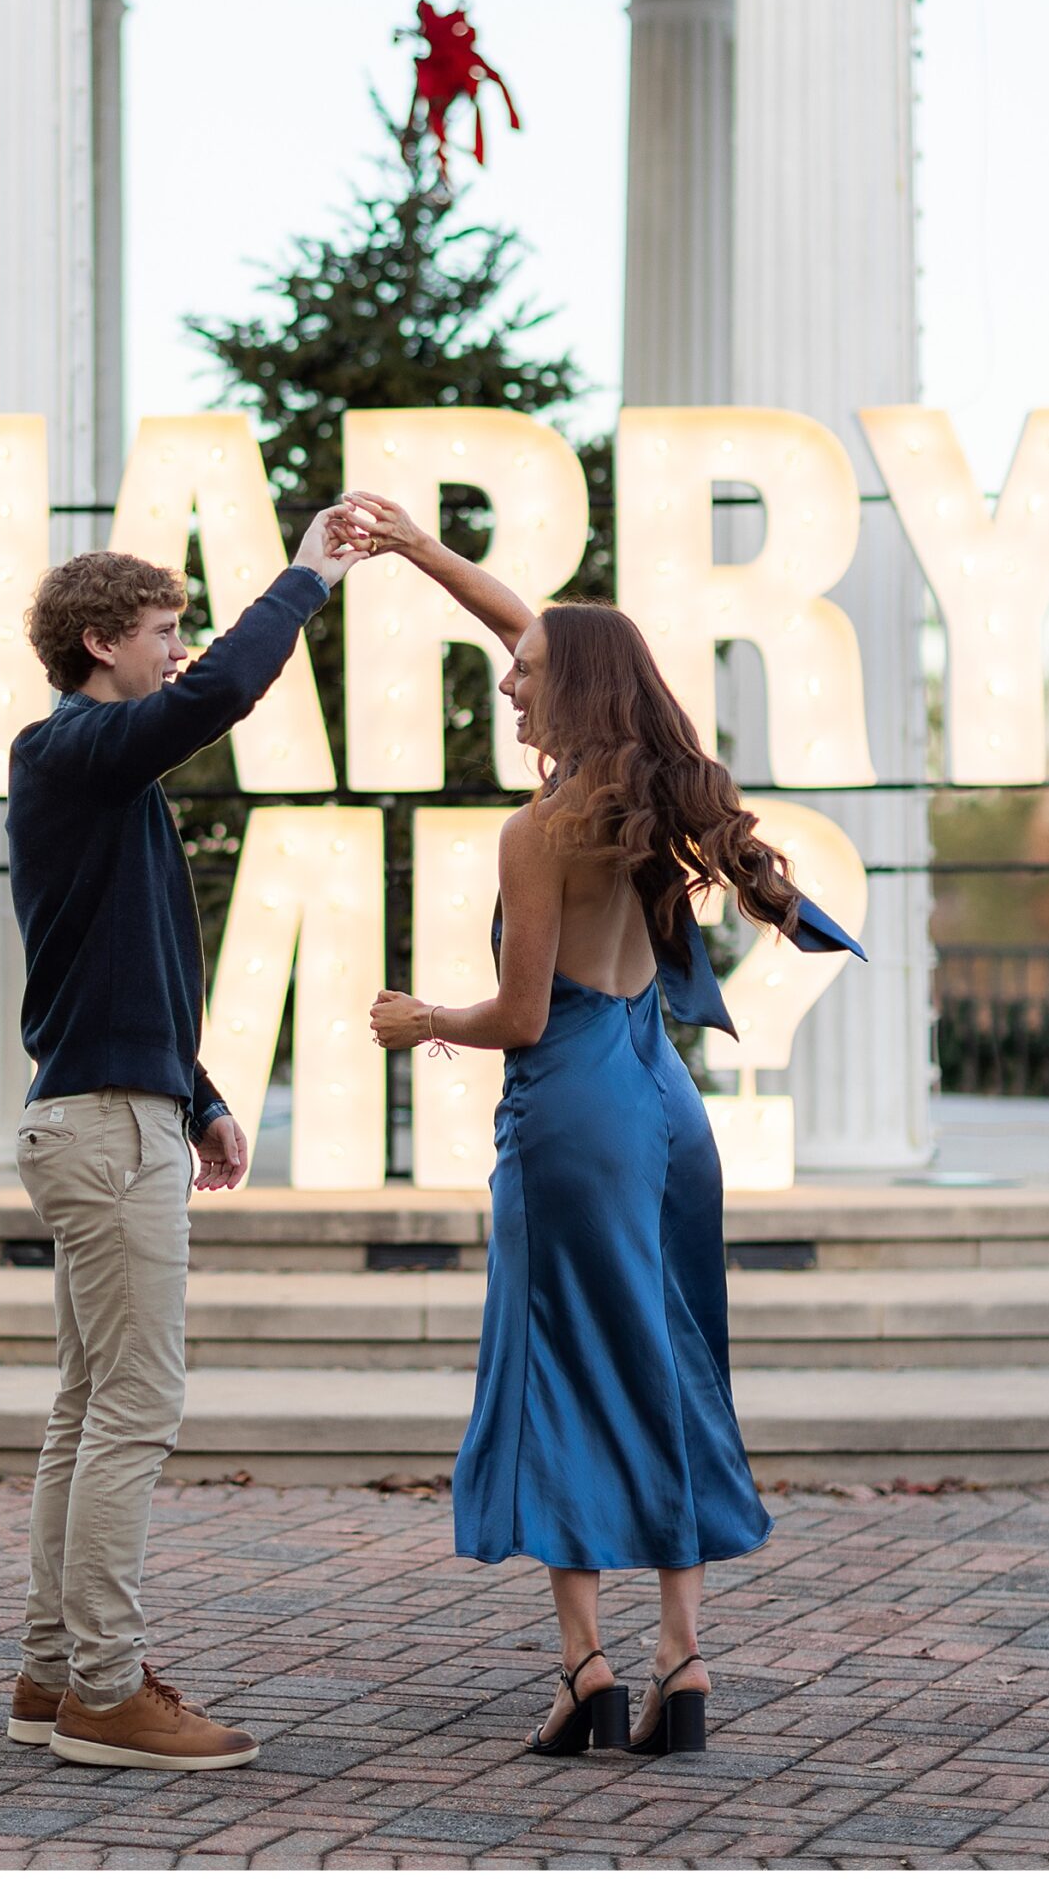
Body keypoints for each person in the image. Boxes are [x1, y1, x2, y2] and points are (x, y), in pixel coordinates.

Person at [356, 491, 864, 1760]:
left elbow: (524, 1017)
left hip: (573, 1110)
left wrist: (419, 1019)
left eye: (524, 677)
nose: (508, 686)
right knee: (671, 1355)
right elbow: (535, 626)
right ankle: (679, 1661)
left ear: (571, 688)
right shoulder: (652, 793)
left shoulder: (538, 832)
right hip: (662, 1106)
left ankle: (583, 1666)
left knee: (560, 1370)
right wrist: (422, 555)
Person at [4, 504, 367, 1770]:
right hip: (105, 1135)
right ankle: (105, 1689)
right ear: (101, 643)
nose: (180, 649)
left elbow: (124, 971)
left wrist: (200, 1090)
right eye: (163, 631)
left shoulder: (101, 782)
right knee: (134, 1409)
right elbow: (213, 698)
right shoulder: (72, 750)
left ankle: (54, 1675)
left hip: (112, 1109)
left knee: (88, 1404)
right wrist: (306, 579)